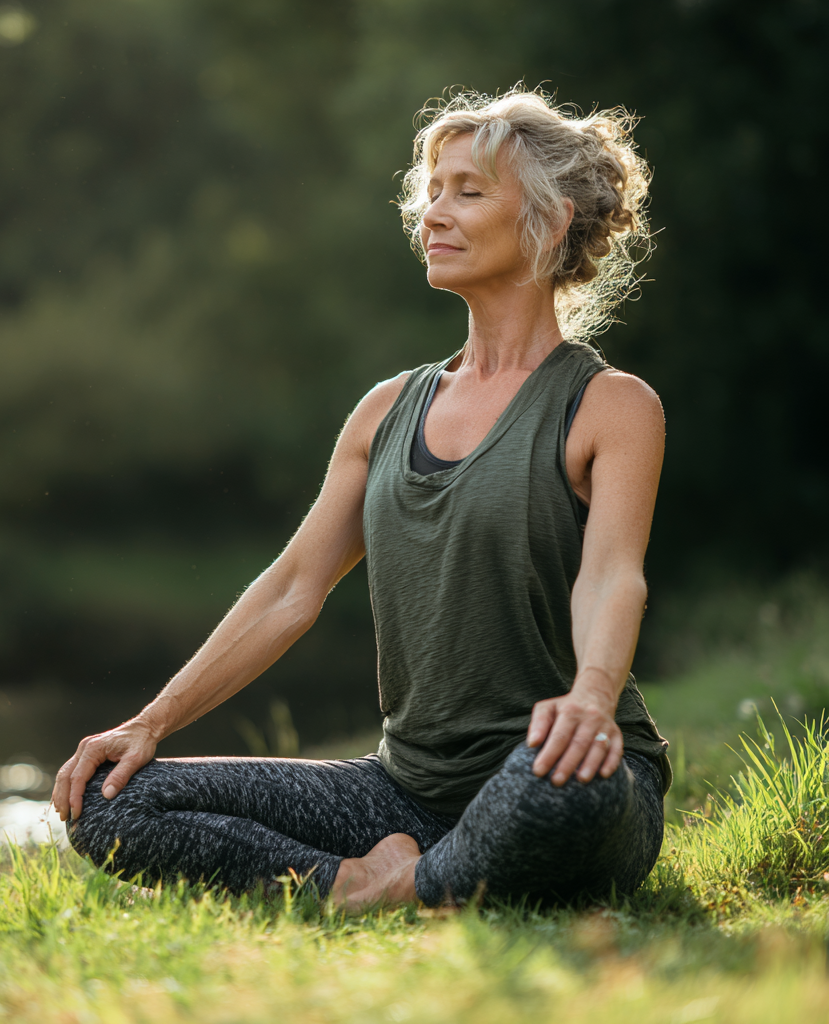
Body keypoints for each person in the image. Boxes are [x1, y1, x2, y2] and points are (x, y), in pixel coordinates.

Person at [52, 86, 671, 910]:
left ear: (551, 221)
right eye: (432, 192)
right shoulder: (385, 411)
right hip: (402, 791)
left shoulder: (611, 405)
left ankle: (395, 885)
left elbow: (612, 577)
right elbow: (290, 589)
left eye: (468, 192)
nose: (433, 214)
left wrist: (593, 697)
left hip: (564, 766)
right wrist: (150, 723)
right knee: (110, 803)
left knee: (559, 784)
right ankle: (361, 883)